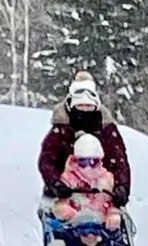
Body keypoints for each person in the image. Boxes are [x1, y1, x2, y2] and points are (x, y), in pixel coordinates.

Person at [37, 70, 131, 209]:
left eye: (89, 106)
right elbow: (48, 159)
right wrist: (55, 183)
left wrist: (121, 187)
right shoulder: (61, 129)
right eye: (80, 106)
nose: (85, 110)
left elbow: (119, 161)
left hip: (102, 192)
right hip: (67, 192)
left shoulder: (107, 130)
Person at [52, 133, 122, 231]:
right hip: (74, 230)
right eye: (83, 162)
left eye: (93, 162)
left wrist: (113, 216)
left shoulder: (107, 178)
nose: (88, 167)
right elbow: (60, 204)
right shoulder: (68, 178)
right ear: (76, 160)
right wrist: (73, 216)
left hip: (102, 231)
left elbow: (112, 204)